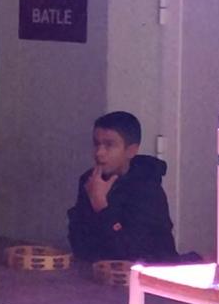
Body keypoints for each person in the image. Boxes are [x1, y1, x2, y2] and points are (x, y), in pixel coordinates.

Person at [67, 111, 178, 264]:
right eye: (96, 144)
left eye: (109, 145)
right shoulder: (90, 181)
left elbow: (131, 252)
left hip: (151, 272)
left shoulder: (147, 188)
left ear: (131, 150)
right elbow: (79, 245)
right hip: (100, 271)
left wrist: (101, 206)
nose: (99, 153)